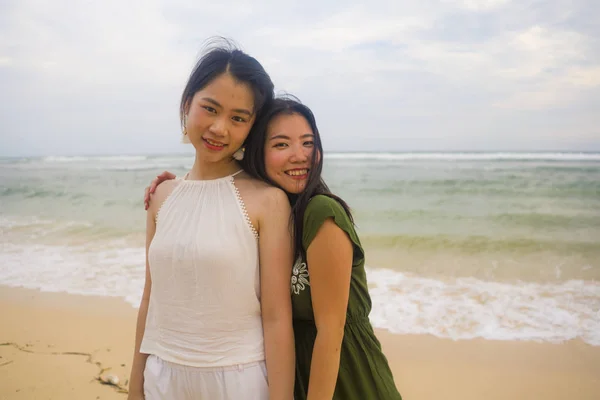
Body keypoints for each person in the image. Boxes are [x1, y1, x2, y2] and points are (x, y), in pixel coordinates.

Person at [145, 97, 402, 399]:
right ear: (257, 152)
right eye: (281, 145)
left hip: (348, 382)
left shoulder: (321, 213)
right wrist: (182, 188)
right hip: (298, 379)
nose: (300, 156)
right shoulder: (273, 214)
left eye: (308, 143)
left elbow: (331, 334)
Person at [129, 43, 295, 400]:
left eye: (238, 118)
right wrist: (135, 387)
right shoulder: (161, 196)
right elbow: (150, 299)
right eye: (210, 109)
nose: (220, 128)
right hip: (162, 376)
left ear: (253, 126)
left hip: (237, 382)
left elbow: (277, 318)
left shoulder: (268, 201)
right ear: (188, 103)